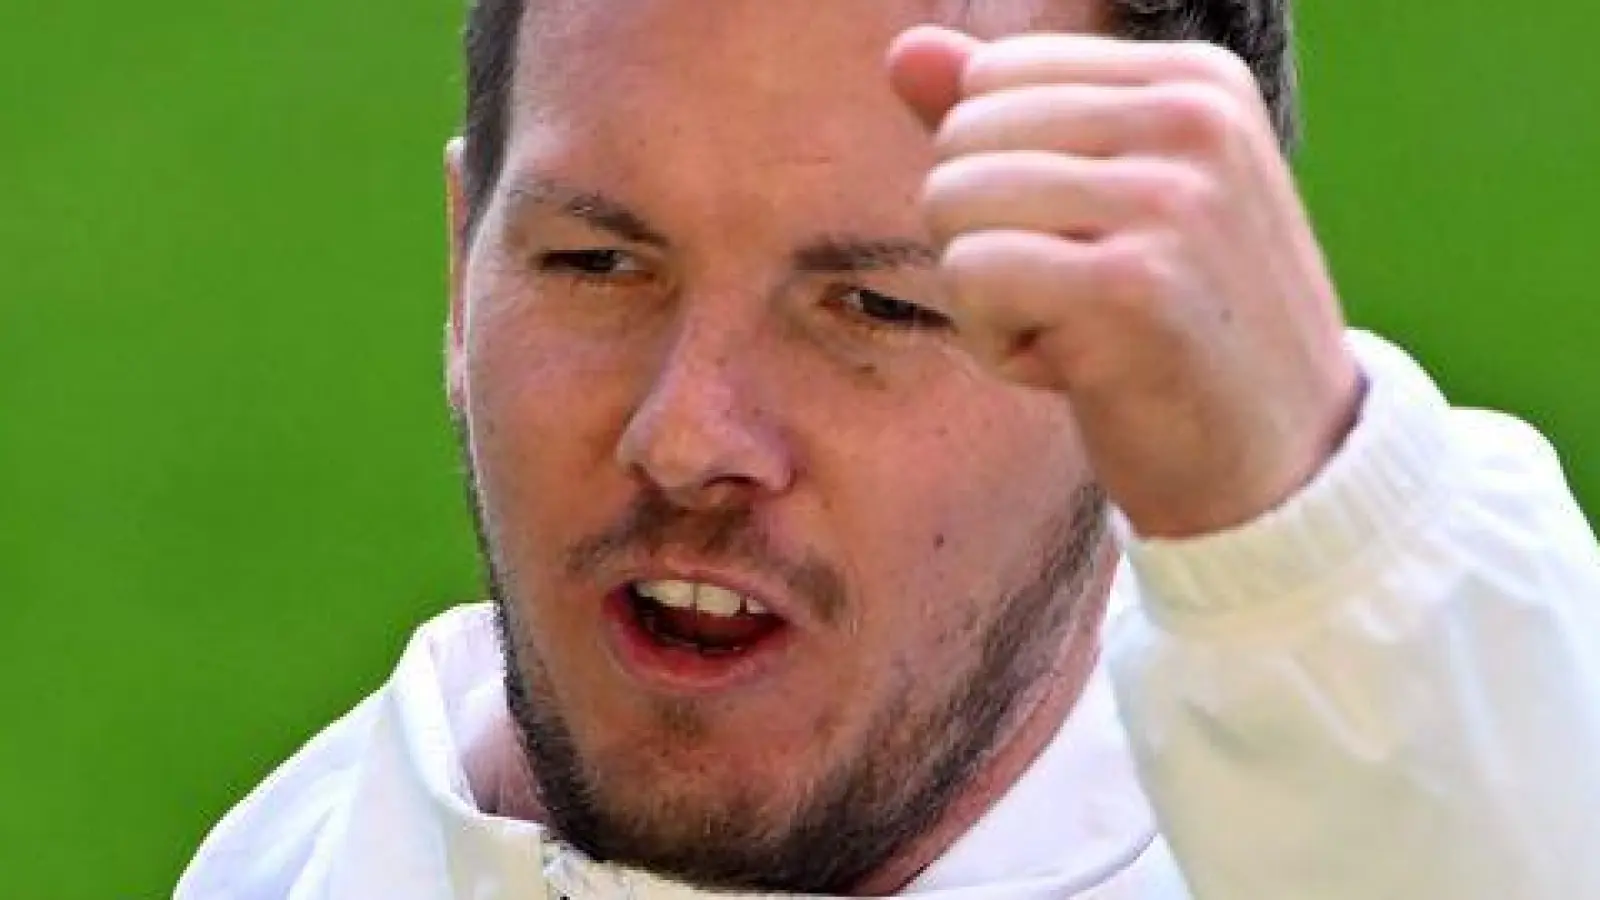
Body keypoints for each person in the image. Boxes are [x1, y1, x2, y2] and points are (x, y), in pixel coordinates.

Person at [175, 0, 1600, 897]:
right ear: (460, 266)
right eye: (596, 265)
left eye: (879, 305)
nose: (687, 435)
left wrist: (1313, 539)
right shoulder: (293, 861)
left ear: (1153, 359)